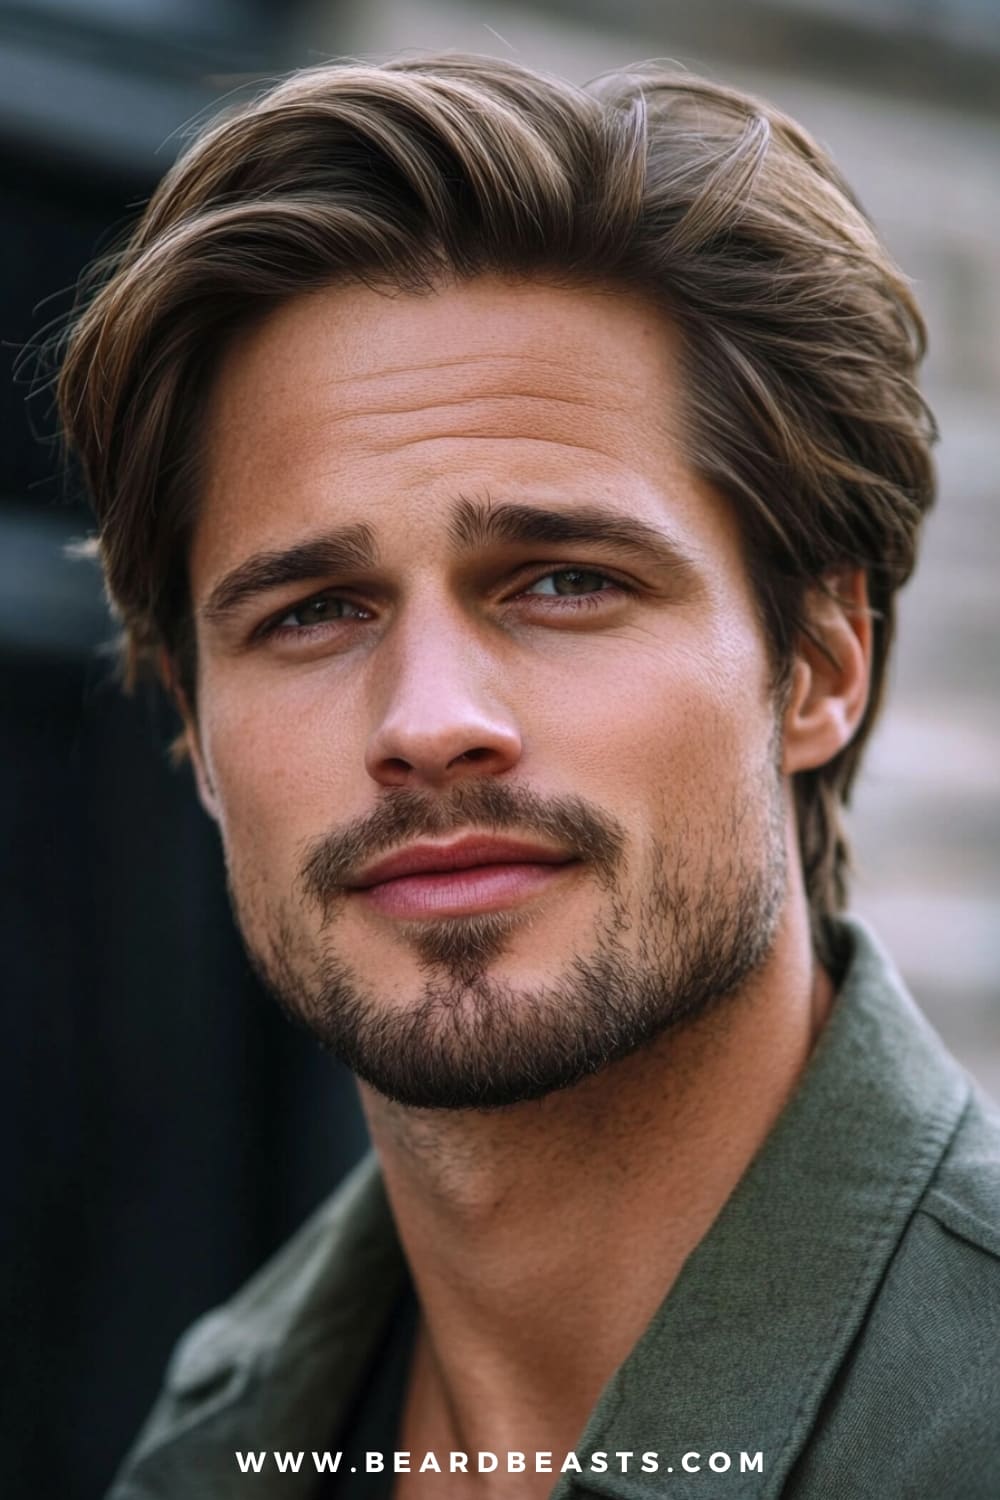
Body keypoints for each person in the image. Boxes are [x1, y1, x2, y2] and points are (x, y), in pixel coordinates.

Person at [58, 53, 999, 1500]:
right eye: (312, 611)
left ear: (818, 666)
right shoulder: (208, 1445)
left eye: (563, 580)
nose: (427, 721)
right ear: (194, 728)